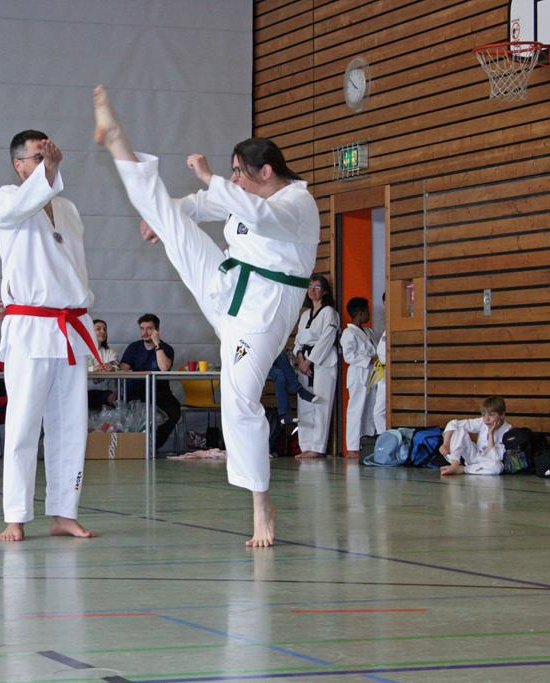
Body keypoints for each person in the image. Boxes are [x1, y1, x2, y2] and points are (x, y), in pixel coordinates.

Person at [94, 85, 319, 547]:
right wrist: (169, 214)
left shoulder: (298, 204)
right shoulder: (240, 195)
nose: (233, 179)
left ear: (266, 171)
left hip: (262, 309)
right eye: (231, 172)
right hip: (227, 283)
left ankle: (261, 504)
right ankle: (117, 142)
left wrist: (211, 177)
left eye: (239, 171)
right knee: (172, 222)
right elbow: (200, 206)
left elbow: (258, 216)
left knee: (238, 400)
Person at [0, 129, 102, 542]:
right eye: (37, 157)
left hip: (70, 326)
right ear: (19, 165)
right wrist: (48, 173)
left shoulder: (68, 209)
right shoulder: (7, 199)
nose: (45, 162)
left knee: (70, 425)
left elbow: (71, 269)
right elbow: (25, 205)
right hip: (31, 328)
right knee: (23, 424)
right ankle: (16, 516)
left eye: (49, 155)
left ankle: (63, 513)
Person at [293, 275, 340, 459]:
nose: (313, 290)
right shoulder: (305, 315)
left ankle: (318, 447)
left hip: (323, 363)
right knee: (304, 403)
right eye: (310, 286)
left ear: (325, 291)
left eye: (317, 287)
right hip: (304, 361)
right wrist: (300, 358)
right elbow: (298, 340)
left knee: (321, 404)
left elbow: (327, 339)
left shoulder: (329, 312)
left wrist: (310, 361)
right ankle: (305, 445)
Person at [118, 314, 181, 451]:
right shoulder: (133, 347)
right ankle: (134, 448)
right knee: (131, 414)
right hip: (135, 392)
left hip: (160, 394)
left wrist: (157, 344)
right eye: (142, 328)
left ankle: (153, 446)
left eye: (149, 329)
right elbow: (123, 368)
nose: (145, 332)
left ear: (157, 330)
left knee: (174, 412)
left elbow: (164, 368)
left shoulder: (166, 348)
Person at [340, 297, 377, 459]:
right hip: (358, 374)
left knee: (370, 410)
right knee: (356, 410)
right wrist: (369, 359)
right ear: (360, 313)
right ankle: (353, 447)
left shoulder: (369, 332)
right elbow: (348, 355)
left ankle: (367, 444)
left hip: (372, 374)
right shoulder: (348, 332)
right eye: (367, 311)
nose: (369, 314)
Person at [439, 396, 512, 476]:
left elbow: (494, 458)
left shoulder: (508, 431)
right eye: (484, 415)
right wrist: (446, 444)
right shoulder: (482, 422)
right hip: (473, 456)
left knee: (498, 467)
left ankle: (463, 469)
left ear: (502, 415)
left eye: (491, 415)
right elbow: (454, 423)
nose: (486, 419)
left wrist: (491, 434)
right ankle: (455, 464)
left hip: (487, 463)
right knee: (459, 429)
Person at [266, 348, 317, 455]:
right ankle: (299, 389)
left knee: (280, 374)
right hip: (252, 359)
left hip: (266, 357)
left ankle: (284, 414)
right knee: (279, 357)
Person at [88, 319, 119, 410]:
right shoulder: (82, 352)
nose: (103, 331)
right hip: (85, 392)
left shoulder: (110, 352)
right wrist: (94, 369)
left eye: (104, 329)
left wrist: (110, 368)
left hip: (106, 392)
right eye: (98, 329)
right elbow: (80, 369)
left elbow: (116, 365)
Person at [373, 328, 387, 433]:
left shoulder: (395, 327)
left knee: (378, 413)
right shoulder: (387, 330)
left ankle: (386, 438)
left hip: (389, 373)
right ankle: (384, 438)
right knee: (378, 413)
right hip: (383, 373)